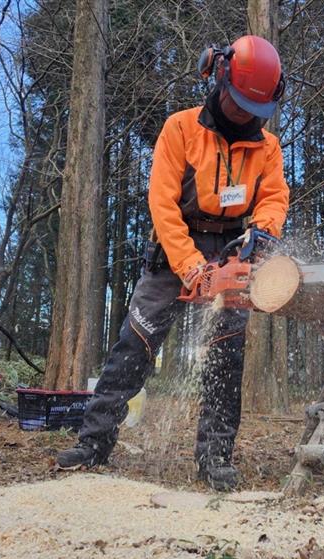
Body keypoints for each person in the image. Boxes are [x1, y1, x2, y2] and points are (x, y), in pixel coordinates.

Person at [56, 35, 290, 492]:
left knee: (226, 355)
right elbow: (162, 205)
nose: (243, 114)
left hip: (232, 244)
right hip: (175, 244)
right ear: (218, 76)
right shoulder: (181, 128)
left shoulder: (268, 147)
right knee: (134, 345)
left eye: (253, 108)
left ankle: (215, 456)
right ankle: (93, 443)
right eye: (239, 103)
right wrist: (191, 267)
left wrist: (261, 233)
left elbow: (274, 197)